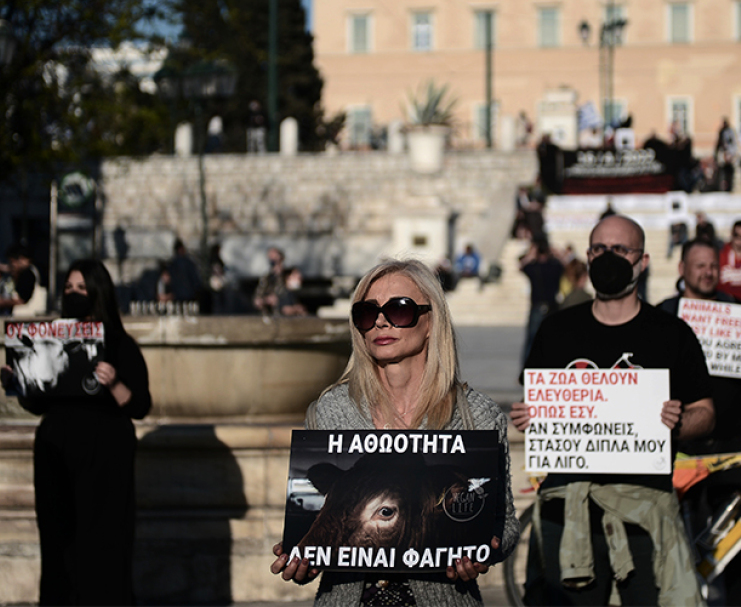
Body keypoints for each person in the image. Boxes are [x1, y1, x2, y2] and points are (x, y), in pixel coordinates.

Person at [270, 259, 519, 605]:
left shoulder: (477, 416)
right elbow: (322, 520)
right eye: (367, 313)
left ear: (432, 322)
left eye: (399, 310)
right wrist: (306, 559)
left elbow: (504, 524)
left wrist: (484, 550)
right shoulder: (331, 411)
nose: (381, 321)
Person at [510, 215, 712, 606]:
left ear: (644, 260)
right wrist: (529, 419)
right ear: (587, 255)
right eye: (599, 248)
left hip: (644, 507)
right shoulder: (556, 329)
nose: (608, 257)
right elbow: (538, 405)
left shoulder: (672, 334)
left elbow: (705, 411)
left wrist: (678, 423)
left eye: (620, 249)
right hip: (567, 506)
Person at [2, 259, 152, 604]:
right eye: (68, 288)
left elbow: (140, 406)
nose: (73, 294)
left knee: (104, 540)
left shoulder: (119, 343)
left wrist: (113, 382)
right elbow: (39, 404)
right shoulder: (50, 340)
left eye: (81, 288)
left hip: (104, 454)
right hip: (56, 450)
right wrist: (18, 383)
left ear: (97, 292)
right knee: (57, 540)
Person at [657, 238, 741, 607]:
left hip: (731, 440)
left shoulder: (736, 309)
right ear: (682, 270)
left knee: (740, 535)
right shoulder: (663, 314)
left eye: (713, 266)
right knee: (677, 534)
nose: (708, 272)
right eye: (700, 266)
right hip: (681, 444)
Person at [519, 240, 564, 368]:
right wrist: (556, 252)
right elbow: (566, 263)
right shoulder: (554, 265)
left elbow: (520, 265)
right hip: (551, 306)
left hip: (539, 306)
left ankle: (525, 370)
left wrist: (530, 253)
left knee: (532, 340)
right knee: (552, 339)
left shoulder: (534, 266)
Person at [0, 244, 46, 317]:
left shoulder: (27, 274)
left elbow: (21, 301)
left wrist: (2, 302)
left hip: (26, 317)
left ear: (20, 259)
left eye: (12, 262)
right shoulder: (35, 270)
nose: (12, 266)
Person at [254, 247, 289, 316]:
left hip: (285, 314)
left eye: (275, 256)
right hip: (268, 313)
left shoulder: (288, 275)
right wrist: (263, 300)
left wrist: (278, 299)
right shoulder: (266, 278)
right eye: (270, 256)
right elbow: (258, 294)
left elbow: (289, 293)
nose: (272, 259)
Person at [167, 238, 203, 303]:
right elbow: (195, 278)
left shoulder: (171, 264)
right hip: (189, 294)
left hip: (176, 295)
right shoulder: (188, 263)